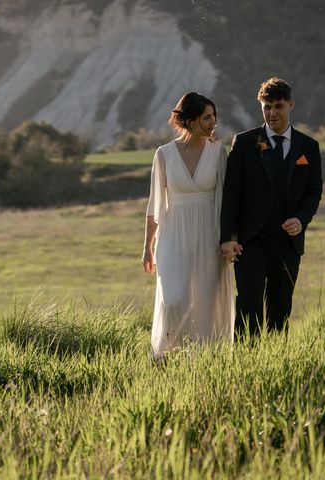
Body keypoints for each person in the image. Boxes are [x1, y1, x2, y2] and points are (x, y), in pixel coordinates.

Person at [220, 77, 323, 338]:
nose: (272, 113)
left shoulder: (309, 147)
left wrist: (301, 219)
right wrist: (228, 237)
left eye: (278, 106)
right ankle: (244, 366)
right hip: (250, 241)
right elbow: (232, 193)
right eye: (267, 107)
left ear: (291, 105)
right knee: (248, 307)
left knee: (280, 310)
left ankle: (275, 365)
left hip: (288, 243)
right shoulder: (244, 143)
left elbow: (314, 191)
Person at [142, 92, 235, 359]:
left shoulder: (219, 153)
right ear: (190, 120)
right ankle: (168, 354)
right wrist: (147, 247)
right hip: (173, 235)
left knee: (206, 300)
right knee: (174, 299)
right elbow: (155, 205)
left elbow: (227, 200)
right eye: (206, 117)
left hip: (209, 233)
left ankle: (204, 358)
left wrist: (228, 237)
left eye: (214, 117)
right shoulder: (164, 154)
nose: (213, 122)